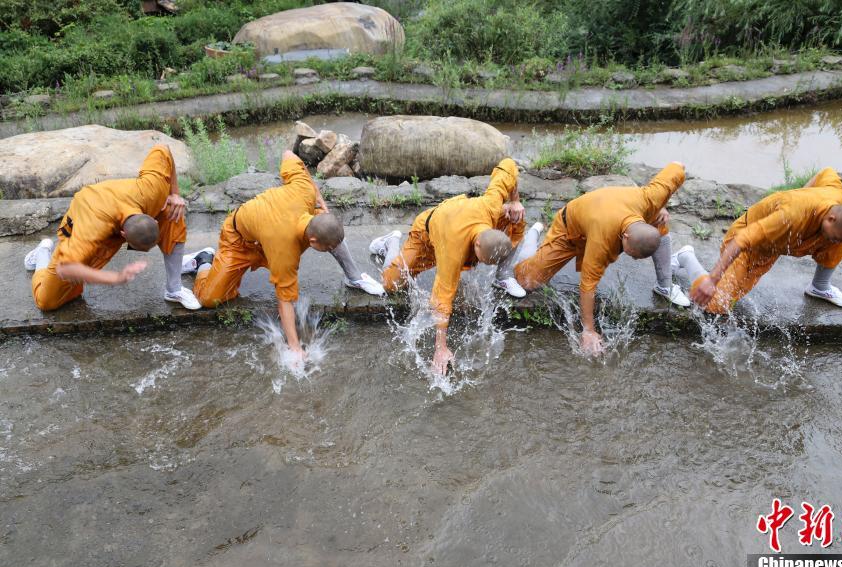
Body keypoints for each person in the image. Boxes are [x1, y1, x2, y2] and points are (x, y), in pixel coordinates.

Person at [186, 150, 383, 356]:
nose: (329, 251)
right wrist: (295, 348)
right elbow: (284, 302)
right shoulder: (285, 251)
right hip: (240, 240)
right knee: (210, 299)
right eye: (325, 249)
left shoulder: (305, 190)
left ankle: (354, 277)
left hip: (279, 229)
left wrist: (319, 198)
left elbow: (289, 154)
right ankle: (203, 261)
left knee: (327, 225)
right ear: (312, 242)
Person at [506, 162, 688, 356]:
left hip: (609, 212)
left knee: (659, 226)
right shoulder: (602, 240)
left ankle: (664, 285)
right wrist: (589, 330)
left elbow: (679, 167)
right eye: (632, 255)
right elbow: (587, 285)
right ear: (624, 237)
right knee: (527, 281)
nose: (633, 260)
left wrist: (661, 205)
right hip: (570, 229)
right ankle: (534, 234)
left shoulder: (652, 198)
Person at [368, 158, 528, 375]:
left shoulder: (491, 206)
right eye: (479, 259)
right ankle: (391, 243)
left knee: (515, 217)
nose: (479, 264)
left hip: (456, 220)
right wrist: (440, 349)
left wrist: (515, 201)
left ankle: (503, 276)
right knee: (391, 283)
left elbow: (508, 165)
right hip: (426, 236)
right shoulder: (454, 252)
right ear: (477, 243)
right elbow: (442, 298)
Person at [24, 144, 200, 311]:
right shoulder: (89, 234)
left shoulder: (152, 190)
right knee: (48, 301)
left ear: (153, 220)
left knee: (172, 210)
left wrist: (175, 194)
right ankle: (42, 253)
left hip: (116, 201)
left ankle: (174, 289)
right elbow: (66, 268)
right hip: (87, 211)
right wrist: (115, 278)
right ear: (123, 235)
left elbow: (163, 150)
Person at [675, 166, 842, 313]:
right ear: (831, 218)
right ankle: (686, 257)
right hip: (751, 245)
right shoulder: (790, 217)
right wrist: (712, 279)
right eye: (835, 236)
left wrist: (803, 191)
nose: (834, 241)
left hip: (776, 245)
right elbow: (742, 240)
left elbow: (827, 172)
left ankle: (820, 287)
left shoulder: (839, 196)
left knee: (838, 248)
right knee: (717, 305)